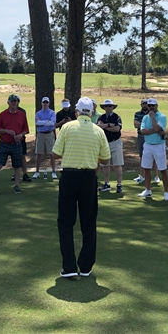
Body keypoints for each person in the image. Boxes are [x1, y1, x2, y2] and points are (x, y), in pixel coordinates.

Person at [52, 97, 110, 278]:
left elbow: (55, 154)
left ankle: (69, 267)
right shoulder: (98, 131)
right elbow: (106, 159)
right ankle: (85, 267)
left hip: (69, 177)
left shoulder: (67, 128)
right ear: (91, 113)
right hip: (88, 178)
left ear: (76, 112)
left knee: (65, 222)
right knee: (88, 222)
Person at [0, 94, 29, 195]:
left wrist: (20, 135)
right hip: (4, 143)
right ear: (8, 103)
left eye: (15, 102)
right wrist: (6, 131)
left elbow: (26, 130)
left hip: (17, 144)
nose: (13, 103)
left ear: (17, 103)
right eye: (12, 102)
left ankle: (16, 185)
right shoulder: (2, 115)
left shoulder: (22, 115)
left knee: (17, 165)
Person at [138, 98, 168, 201]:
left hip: (159, 145)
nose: (151, 107)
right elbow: (142, 131)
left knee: (163, 169)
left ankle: (166, 192)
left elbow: (158, 128)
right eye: (149, 105)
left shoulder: (162, 117)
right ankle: (148, 190)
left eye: (153, 105)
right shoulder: (144, 118)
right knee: (147, 168)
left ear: (157, 106)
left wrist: (153, 118)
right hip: (147, 144)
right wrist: (155, 130)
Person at [97, 99, 123, 193]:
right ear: (104, 107)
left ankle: (119, 185)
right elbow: (99, 127)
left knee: (117, 164)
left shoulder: (117, 117)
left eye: (110, 106)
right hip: (104, 143)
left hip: (115, 142)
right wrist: (108, 125)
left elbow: (117, 129)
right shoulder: (101, 117)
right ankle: (107, 184)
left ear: (112, 107)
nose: (108, 108)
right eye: (106, 106)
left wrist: (104, 126)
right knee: (105, 165)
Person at [34, 97, 57, 179]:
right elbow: (37, 123)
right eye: (44, 102)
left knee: (51, 154)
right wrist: (47, 121)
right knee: (39, 153)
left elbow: (52, 123)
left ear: (49, 103)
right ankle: (37, 172)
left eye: (46, 102)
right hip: (40, 134)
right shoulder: (38, 113)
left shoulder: (52, 113)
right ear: (41, 103)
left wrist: (42, 122)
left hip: (49, 134)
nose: (45, 104)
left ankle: (54, 171)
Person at [132, 99, 155, 183]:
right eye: (143, 104)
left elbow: (155, 125)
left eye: (146, 104)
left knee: (153, 157)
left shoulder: (152, 113)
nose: (145, 105)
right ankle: (141, 176)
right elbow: (135, 124)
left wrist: (142, 124)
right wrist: (147, 124)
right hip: (141, 136)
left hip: (151, 136)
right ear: (141, 105)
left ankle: (155, 176)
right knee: (142, 156)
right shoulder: (137, 114)